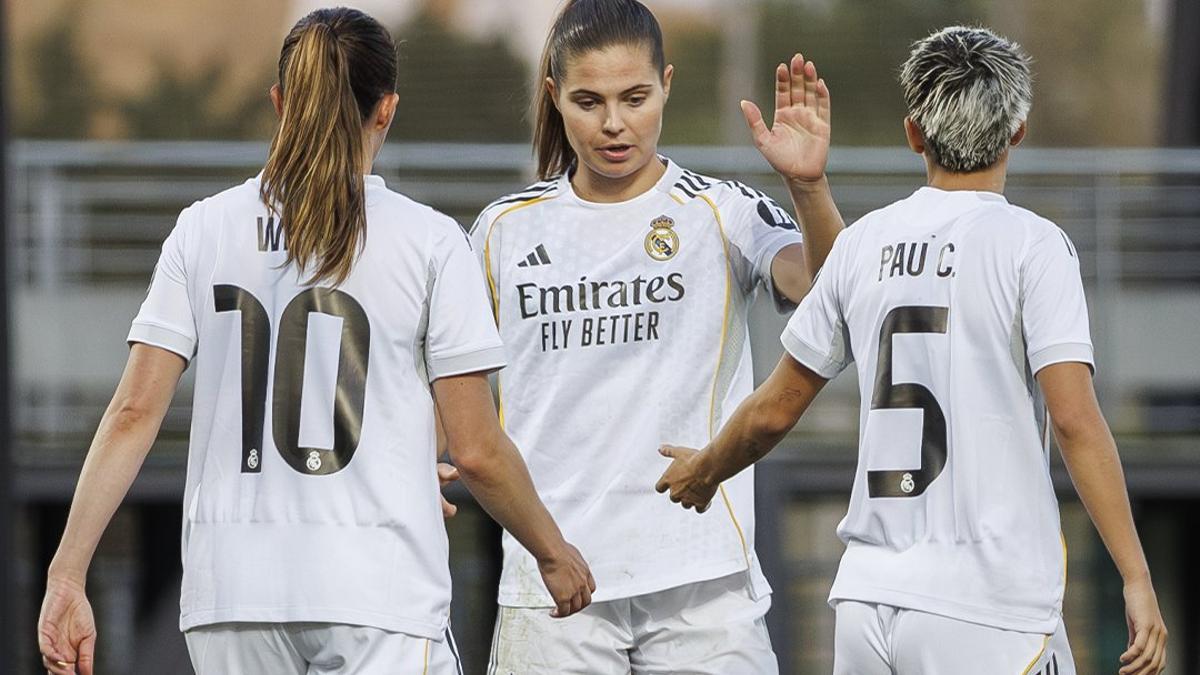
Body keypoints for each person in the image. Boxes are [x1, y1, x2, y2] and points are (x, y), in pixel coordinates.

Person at [36, 8, 593, 675]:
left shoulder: (201, 229)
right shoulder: (429, 240)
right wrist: (553, 551)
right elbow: (476, 450)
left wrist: (67, 574)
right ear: (385, 109)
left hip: (231, 597)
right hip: (378, 592)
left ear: (279, 102)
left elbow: (133, 414)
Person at [656, 25, 1168, 675]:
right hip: (987, 608)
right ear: (1017, 130)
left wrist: (705, 470)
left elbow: (773, 410)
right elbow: (1073, 417)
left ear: (912, 133)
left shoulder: (863, 244)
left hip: (867, 602)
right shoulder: (1034, 245)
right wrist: (1136, 575)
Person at [467, 1, 844, 671]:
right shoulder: (501, 229)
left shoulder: (721, 209)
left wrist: (808, 186)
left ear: (666, 84)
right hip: (553, 588)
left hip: (703, 587)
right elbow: (446, 381)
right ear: (554, 97)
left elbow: (822, 289)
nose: (614, 123)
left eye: (635, 97)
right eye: (588, 101)